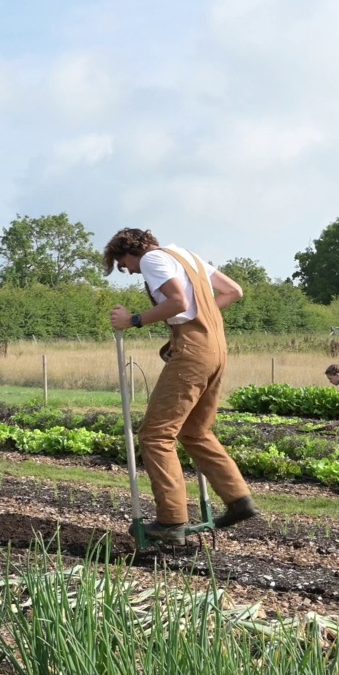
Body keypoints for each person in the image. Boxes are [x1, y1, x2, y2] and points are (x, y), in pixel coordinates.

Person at [103, 227, 260, 546]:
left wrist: (134, 320)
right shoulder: (187, 256)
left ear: (131, 250)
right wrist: (194, 328)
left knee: (156, 434)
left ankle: (171, 521)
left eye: (124, 264)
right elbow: (233, 292)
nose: (131, 271)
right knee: (194, 431)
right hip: (217, 348)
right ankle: (239, 499)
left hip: (193, 352)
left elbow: (178, 300)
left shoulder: (151, 259)